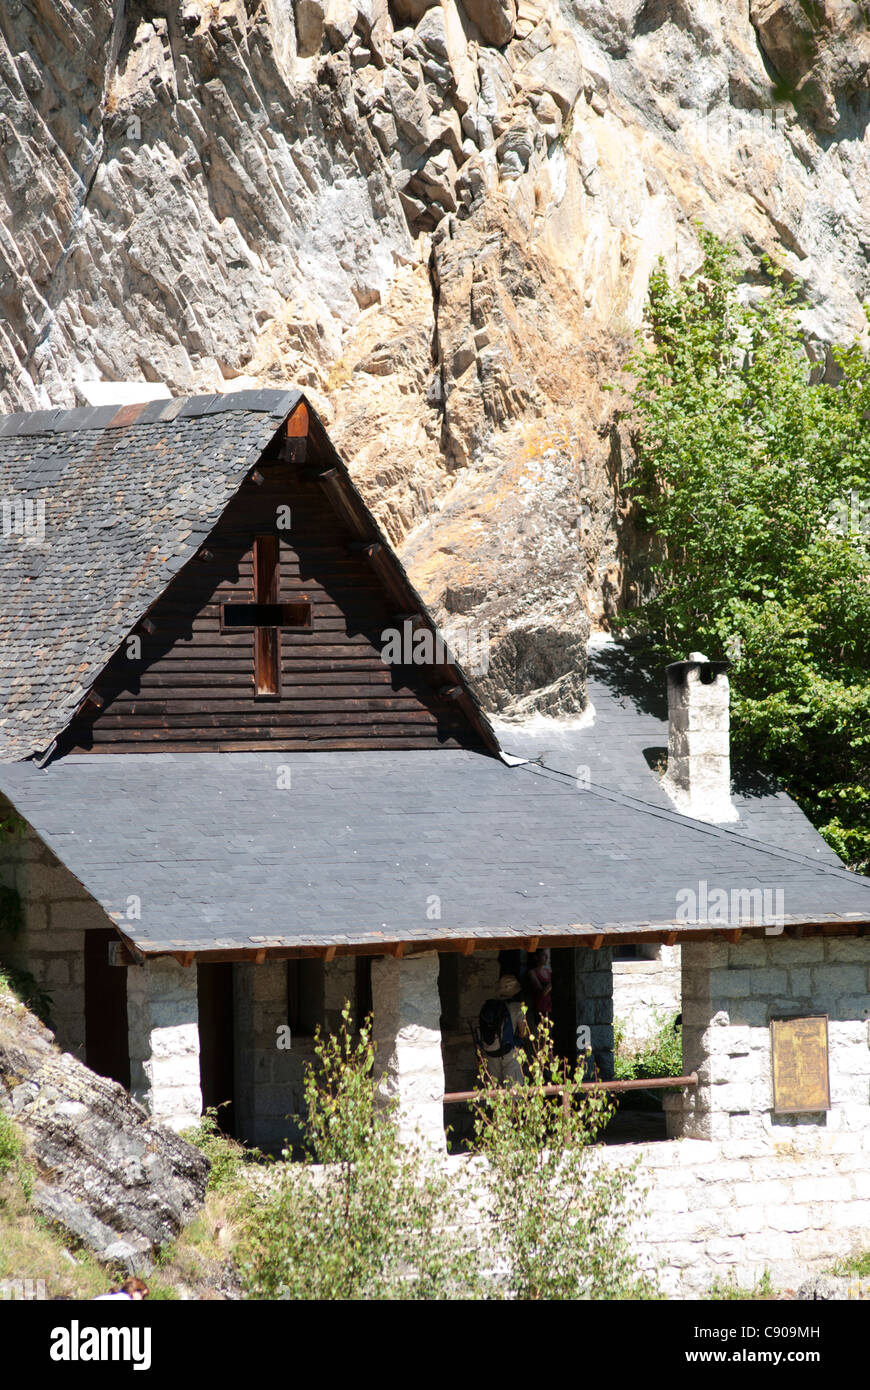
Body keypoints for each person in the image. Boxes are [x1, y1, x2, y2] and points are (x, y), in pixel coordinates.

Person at [478, 973, 528, 1084]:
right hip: (510, 1053)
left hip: (490, 1053)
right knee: (514, 1092)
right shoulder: (517, 1007)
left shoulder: (488, 1005)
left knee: (495, 1091)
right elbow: (522, 1032)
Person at [528, 948, 552, 1019]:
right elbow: (542, 992)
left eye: (547, 955)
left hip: (550, 1008)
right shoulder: (532, 972)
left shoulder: (548, 972)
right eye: (544, 955)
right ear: (536, 957)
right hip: (540, 1009)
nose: (547, 958)